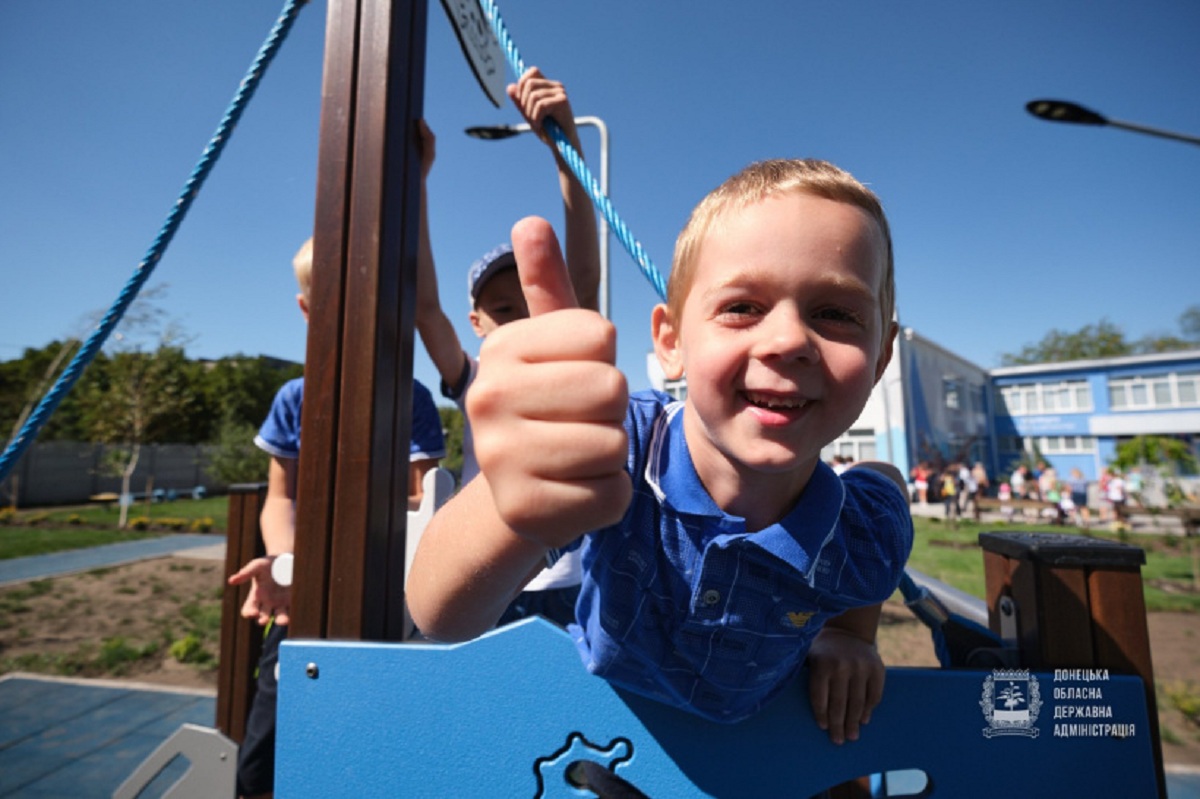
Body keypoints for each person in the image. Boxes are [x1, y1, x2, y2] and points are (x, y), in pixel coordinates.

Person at [409, 158, 914, 745]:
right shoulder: (622, 448)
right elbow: (439, 616)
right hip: (598, 740)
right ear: (671, 343)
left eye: (836, 313)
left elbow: (883, 491)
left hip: (754, 757)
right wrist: (509, 509)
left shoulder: (862, 532)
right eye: (743, 307)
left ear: (880, 359)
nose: (788, 340)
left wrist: (849, 635)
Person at [228, 238, 446, 799]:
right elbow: (282, 498)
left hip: (384, 593)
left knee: (373, 741)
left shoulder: (410, 398)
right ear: (308, 309)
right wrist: (285, 564)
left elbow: (423, 498)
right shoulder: (295, 398)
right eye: (334, 298)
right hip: (306, 594)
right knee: (267, 745)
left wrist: (355, 524)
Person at [414, 67, 600, 629]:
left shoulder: (562, 363)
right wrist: (416, 183)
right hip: (494, 574)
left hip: (573, 579)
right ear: (476, 322)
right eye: (503, 308)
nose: (522, 318)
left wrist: (566, 152)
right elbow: (426, 307)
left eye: (531, 300)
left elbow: (582, 279)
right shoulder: (473, 376)